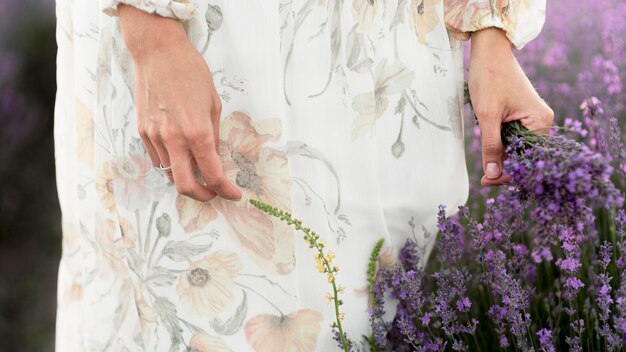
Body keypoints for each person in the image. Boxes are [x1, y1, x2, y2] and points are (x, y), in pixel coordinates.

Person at [53, 0, 553, 350]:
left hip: (389, 59)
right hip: (205, 42)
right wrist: (152, 33)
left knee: (366, 322)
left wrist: (492, 31)